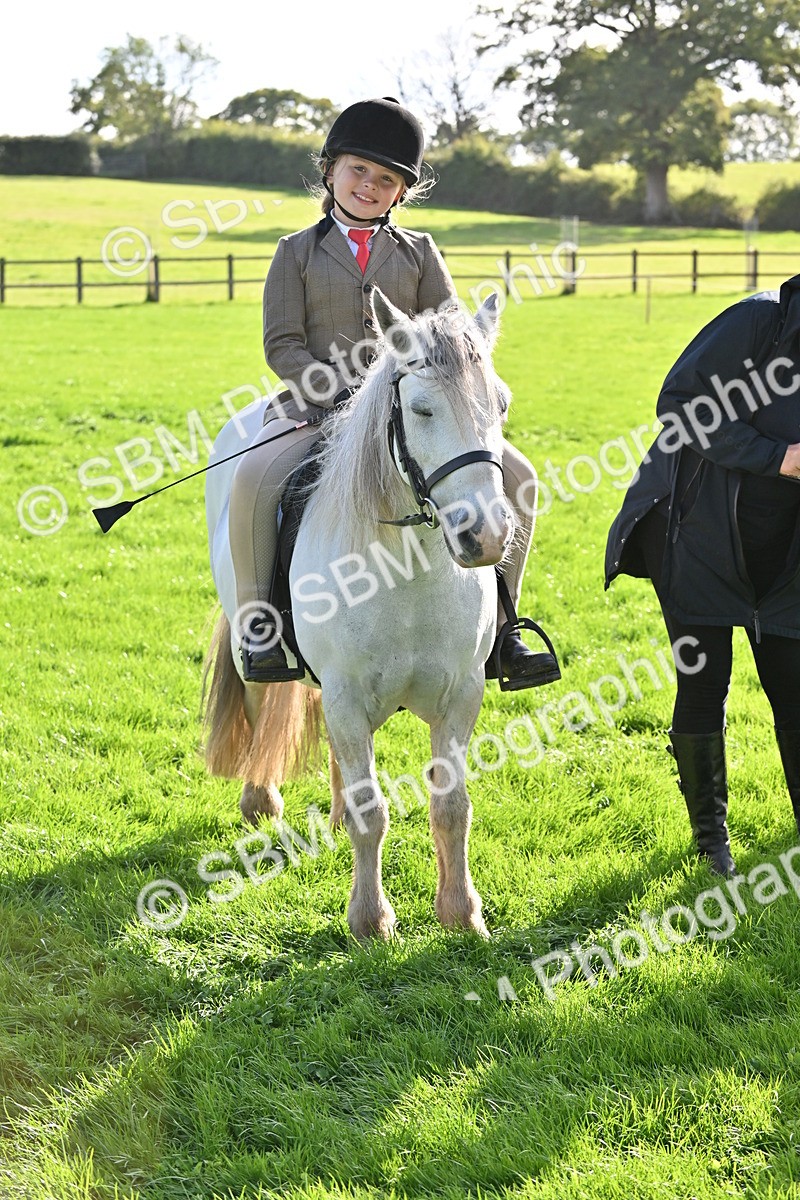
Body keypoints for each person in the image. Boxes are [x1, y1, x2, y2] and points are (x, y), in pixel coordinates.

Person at [228, 96, 558, 690]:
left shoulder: (420, 252)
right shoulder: (294, 252)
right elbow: (282, 344)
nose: (370, 186)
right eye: (359, 171)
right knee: (254, 476)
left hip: (414, 408)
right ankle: (261, 625)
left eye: (387, 180)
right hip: (318, 406)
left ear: (401, 193)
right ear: (330, 171)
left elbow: (454, 334)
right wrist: (341, 393)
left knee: (521, 479)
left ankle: (504, 629)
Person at [605, 274, 800, 875]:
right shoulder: (757, 323)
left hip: (786, 551)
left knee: (794, 690)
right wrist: (780, 458)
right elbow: (683, 405)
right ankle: (711, 842)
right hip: (694, 536)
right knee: (704, 684)